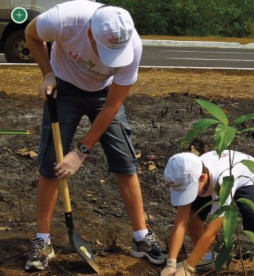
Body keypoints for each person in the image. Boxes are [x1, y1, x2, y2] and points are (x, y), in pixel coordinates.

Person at [24, 1, 167, 271]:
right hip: (63, 86)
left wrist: (81, 152)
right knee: (50, 165)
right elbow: (30, 34)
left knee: (125, 162)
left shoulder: (132, 45)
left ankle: (141, 237)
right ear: (90, 33)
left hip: (105, 94)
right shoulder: (64, 19)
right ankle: (42, 241)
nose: (106, 59)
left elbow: (113, 105)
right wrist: (47, 74)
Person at [161, 150, 254, 276]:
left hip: (247, 177)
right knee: (192, 214)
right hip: (213, 181)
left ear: (202, 178)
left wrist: (188, 267)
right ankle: (206, 258)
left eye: (189, 190)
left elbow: (212, 231)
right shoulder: (189, 175)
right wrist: (171, 262)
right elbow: (181, 221)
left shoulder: (224, 179)